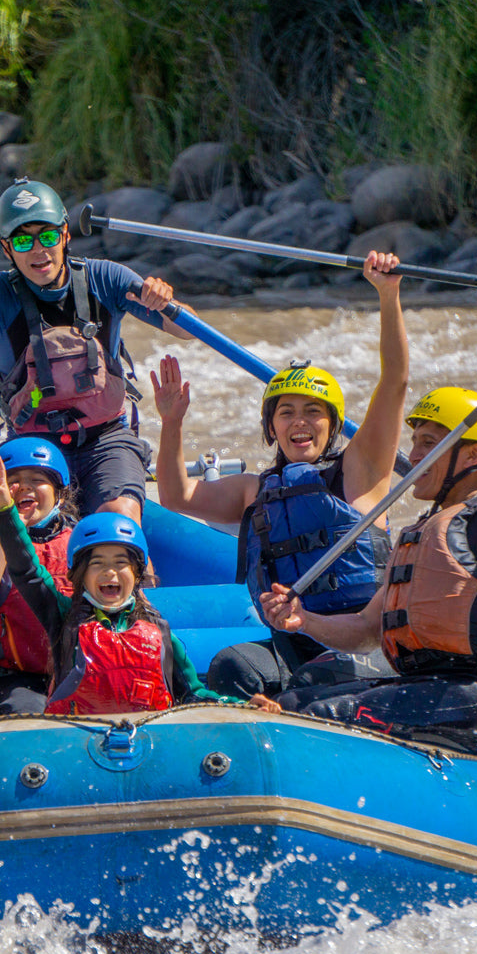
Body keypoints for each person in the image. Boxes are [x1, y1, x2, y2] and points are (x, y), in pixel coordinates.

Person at [263, 370, 477, 756]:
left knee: (309, 714)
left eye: (428, 443)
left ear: (471, 455)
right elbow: (366, 629)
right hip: (431, 687)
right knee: (296, 697)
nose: (413, 456)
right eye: (415, 442)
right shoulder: (425, 530)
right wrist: (305, 620)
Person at [152, 251, 407, 698]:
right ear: (272, 427)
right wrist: (171, 424)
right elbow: (178, 497)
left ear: (333, 425)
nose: (299, 422)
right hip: (295, 645)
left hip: (363, 643)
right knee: (233, 667)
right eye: (286, 413)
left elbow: (395, 381)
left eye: (313, 412)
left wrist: (389, 295)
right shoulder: (256, 489)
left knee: (317, 681)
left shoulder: (360, 471)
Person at [0, 177, 192, 525]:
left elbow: (187, 329)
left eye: (48, 236)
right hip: (31, 441)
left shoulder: (107, 279)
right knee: (33, 525)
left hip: (107, 438)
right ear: (7, 249)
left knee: (119, 517)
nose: (39, 250)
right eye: (23, 240)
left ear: (66, 235)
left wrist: (165, 300)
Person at [0, 456, 280, 715]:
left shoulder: (159, 629)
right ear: (80, 577)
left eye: (120, 563)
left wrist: (241, 706)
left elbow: (194, 693)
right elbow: (27, 570)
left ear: (137, 575)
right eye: (97, 564)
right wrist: (5, 514)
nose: (109, 572)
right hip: (79, 744)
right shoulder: (63, 616)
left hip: (147, 743)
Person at [0, 438, 78, 714]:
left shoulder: (80, 541)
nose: (24, 486)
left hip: (77, 669)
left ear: (59, 494)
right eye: (15, 480)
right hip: (17, 678)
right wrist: (9, 527)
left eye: (37, 479)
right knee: (26, 712)